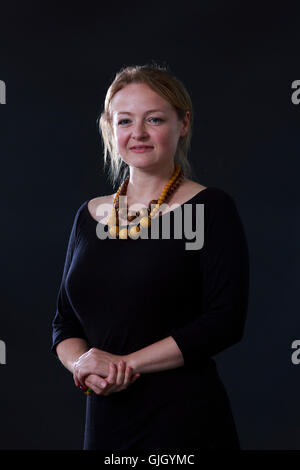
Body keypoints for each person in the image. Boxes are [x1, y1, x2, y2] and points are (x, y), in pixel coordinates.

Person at [51, 63, 250, 451]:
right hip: (106, 421)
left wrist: (125, 366)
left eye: (154, 119)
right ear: (110, 128)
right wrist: (81, 365)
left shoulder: (210, 208)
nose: (138, 133)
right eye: (125, 121)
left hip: (184, 421)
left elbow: (224, 321)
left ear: (183, 123)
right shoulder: (88, 215)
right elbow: (64, 321)